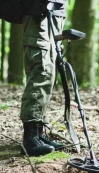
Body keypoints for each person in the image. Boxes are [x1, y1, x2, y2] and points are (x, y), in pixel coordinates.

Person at [20, 0, 66, 156]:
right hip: (39, 14)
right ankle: (30, 138)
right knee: (41, 73)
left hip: (54, 13)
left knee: (50, 76)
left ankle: (39, 134)